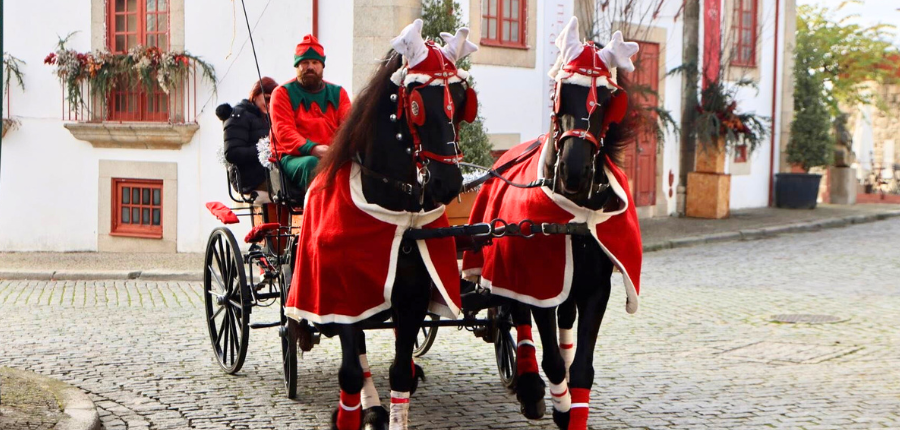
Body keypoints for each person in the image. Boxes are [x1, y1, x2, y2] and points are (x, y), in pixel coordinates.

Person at [269, 34, 352, 192]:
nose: (310, 67)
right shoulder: (282, 93)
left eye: (315, 62)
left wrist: (340, 150)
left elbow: (350, 127)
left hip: (333, 154)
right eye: (305, 62)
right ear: (297, 66)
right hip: (294, 157)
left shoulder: (338, 93)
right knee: (312, 164)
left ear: (322, 65)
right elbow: (284, 131)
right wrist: (313, 148)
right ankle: (320, 211)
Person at [216, 77, 278, 196]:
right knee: (287, 186)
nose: (270, 104)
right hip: (248, 178)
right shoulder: (238, 115)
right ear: (255, 95)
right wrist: (264, 150)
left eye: (274, 100)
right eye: (267, 99)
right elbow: (232, 152)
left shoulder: (269, 118)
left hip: (268, 172)